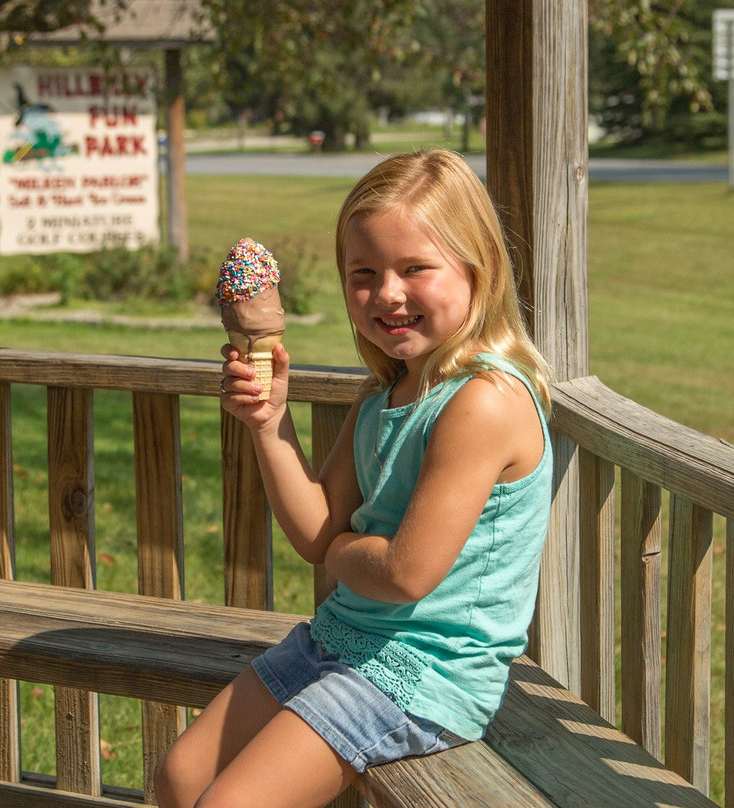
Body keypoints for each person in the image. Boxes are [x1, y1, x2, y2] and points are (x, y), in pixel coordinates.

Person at [153, 149, 554, 808]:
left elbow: (404, 574)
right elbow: (316, 532)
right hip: (339, 638)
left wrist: (341, 551)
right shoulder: (385, 396)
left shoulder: (484, 401)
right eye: (363, 273)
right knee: (179, 779)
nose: (388, 293)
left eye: (415, 268)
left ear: (477, 269)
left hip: (426, 670)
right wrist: (269, 423)